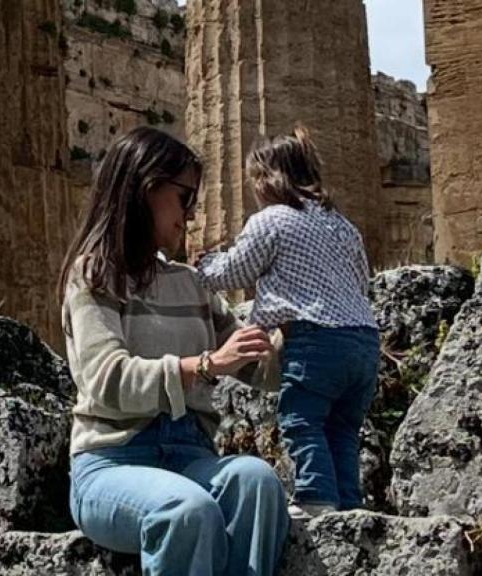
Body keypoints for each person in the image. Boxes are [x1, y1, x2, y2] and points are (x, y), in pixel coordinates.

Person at [59, 126, 289, 576]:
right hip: (111, 462)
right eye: (185, 198)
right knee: (186, 510)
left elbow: (259, 367)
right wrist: (205, 365)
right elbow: (107, 380)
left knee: (257, 481)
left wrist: (306, 328)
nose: (191, 215)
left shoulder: (191, 284)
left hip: (190, 456)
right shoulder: (93, 275)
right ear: (147, 188)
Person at [195, 126, 380, 520]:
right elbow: (362, 279)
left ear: (265, 179)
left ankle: (314, 497)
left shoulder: (272, 221)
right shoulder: (343, 226)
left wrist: (203, 267)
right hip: (364, 341)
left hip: (314, 340)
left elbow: (235, 271)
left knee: (302, 418)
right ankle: (347, 504)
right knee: (343, 429)